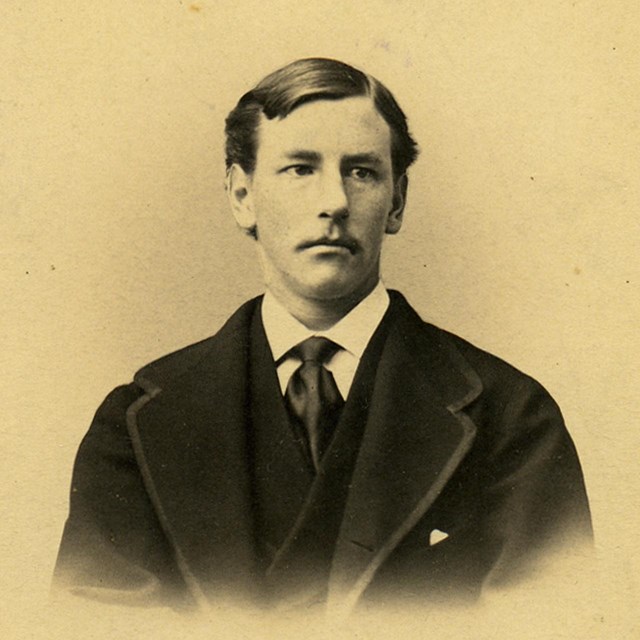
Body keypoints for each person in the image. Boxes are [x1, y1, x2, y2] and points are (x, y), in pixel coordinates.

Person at [53, 58, 592, 616]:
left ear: (397, 201)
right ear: (242, 196)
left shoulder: (511, 418)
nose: (334, 201)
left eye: (361, 171)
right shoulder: (136, 424)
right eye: (300, 169)